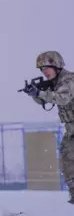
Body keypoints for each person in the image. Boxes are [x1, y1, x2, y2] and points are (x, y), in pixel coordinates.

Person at [24, 51, 73, 204]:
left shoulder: (68, 80)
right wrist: (35, 94)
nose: (44, 72)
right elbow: (44, 102)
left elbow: (62, 99)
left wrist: (40, 92)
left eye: (47, 67)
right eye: (41, 69)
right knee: (67, 162)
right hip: (71, 131)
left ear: (56, 66)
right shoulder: (54, 84)